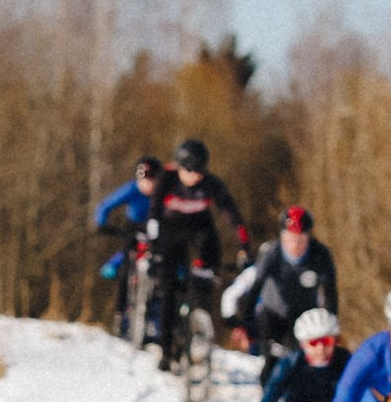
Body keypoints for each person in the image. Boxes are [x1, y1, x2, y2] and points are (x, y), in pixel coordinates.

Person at [144, 139, 247, 369]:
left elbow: (231, 213)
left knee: (207, 270)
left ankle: (199, 323)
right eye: (191, 172)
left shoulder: (211, 184)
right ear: (180, 167)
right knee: (168, 289)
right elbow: (153, 211)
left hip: (199, 229)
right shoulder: (167, 178)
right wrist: (153, 240)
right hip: (170, 230)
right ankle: (166, 350)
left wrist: (243, 246)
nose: (196, 177)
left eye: (200, 172)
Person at [237, 206, 338, 386]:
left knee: (304, 363)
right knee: (272, 363)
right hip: (272, 314)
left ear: (309, 237)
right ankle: (269, 395)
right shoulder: (272, 253)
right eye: (291, 240)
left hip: (305, 315)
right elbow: (256, 288)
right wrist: (245, 325)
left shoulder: (321, 255)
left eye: (301, 240)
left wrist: (331, 326)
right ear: (282, 237)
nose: (296, 246)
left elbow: (330, 293)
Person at [94, 156, 163, 340]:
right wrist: (102, 223)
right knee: (126, 268)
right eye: (144, 179)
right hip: (133, 230)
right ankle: (120, 315)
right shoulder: (131, 189)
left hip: (157, 232)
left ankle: (157, 318)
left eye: (152, 180)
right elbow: (104, 206)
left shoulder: (163, 194)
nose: (148, 184)